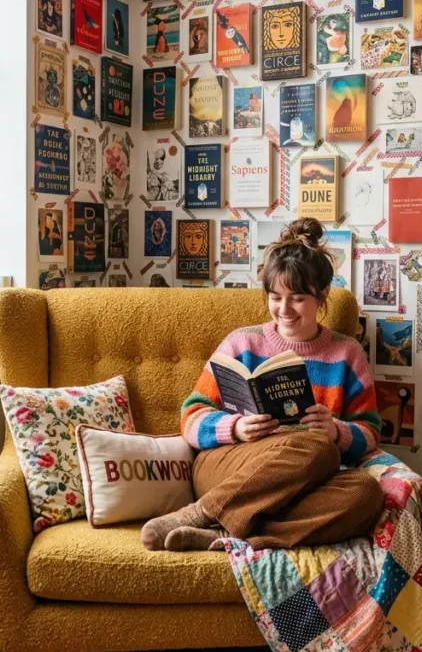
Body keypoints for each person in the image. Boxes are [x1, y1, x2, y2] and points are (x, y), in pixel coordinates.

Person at [141, 218, 384, 552]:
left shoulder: (347, 353)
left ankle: (231, 537)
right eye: (275, 297)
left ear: (323, 293)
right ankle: (198, 513)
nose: (283, 310)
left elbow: (370, 434)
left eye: (297, 298)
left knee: (365, 493)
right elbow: (191, 417)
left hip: (302, 479)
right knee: (316, 448)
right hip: (227, 468)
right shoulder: (243, 343)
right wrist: (236, 427)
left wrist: (337, 432)